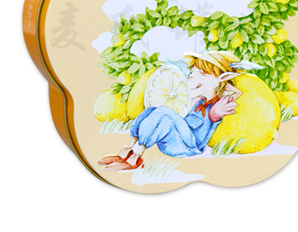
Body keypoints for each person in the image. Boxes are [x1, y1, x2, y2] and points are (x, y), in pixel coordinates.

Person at [98, 51, 246, 171]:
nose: (192, 75)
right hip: (176, 140)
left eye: (203, 73)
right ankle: (127, 150)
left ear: (221, 79)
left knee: (164, 112)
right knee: (152, 110)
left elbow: (237, 95)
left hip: (189, 146)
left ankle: (136, 158)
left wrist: (230, 87)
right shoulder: (198, 101)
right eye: (194, 71)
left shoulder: (215, 108)